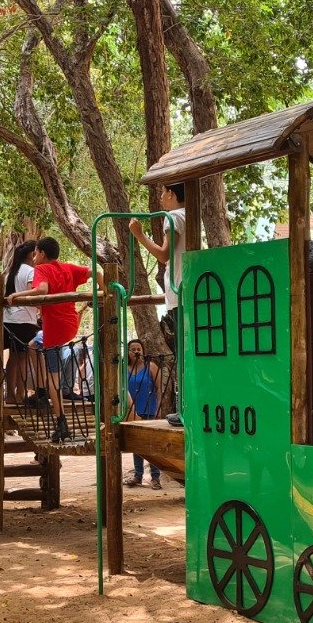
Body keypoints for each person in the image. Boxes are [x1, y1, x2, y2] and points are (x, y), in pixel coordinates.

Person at [8, 237, 91, 442]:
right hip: (70, 324)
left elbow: (42, 290)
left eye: (36, 253)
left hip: (54, 329)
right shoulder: (68, 267)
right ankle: (41, 390)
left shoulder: (42, 269)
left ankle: (60, 421)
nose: (34, 257)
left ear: (42, 253)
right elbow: (96, 272)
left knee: (54, 378)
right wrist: (104, 291)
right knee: (33, 345)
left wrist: (16, 296)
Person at [128, 182, 186, 426]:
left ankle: (184, 410)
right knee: (186, 351)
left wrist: (139, 235)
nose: (161, 197)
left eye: (162, 192)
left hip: (179, 292)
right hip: (185, 290)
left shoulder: (173, 217)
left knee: (183, 353)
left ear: (171, 194)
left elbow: (164, 254)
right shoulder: (188, 215)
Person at [2, 240, 39, 405]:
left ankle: (10, 394)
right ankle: (20, 394)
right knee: (22, 358)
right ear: (32, 254)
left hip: (8, 320)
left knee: (13, 357)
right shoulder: (31, 271)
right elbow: (32, 294)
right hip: (25, 320)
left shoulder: (10, 273)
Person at [123, 339, 162, 489]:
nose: (136, 351)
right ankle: (138, 476)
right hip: (132, 412)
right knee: (137, 445)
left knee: (152, 444)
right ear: (128, 352)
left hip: (149, 410)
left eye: (139, 349)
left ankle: (155, 478)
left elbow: (159, 389)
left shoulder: (151, 366)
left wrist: (158, 409)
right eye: (133, 349)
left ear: (143, 350)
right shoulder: (124, 368)